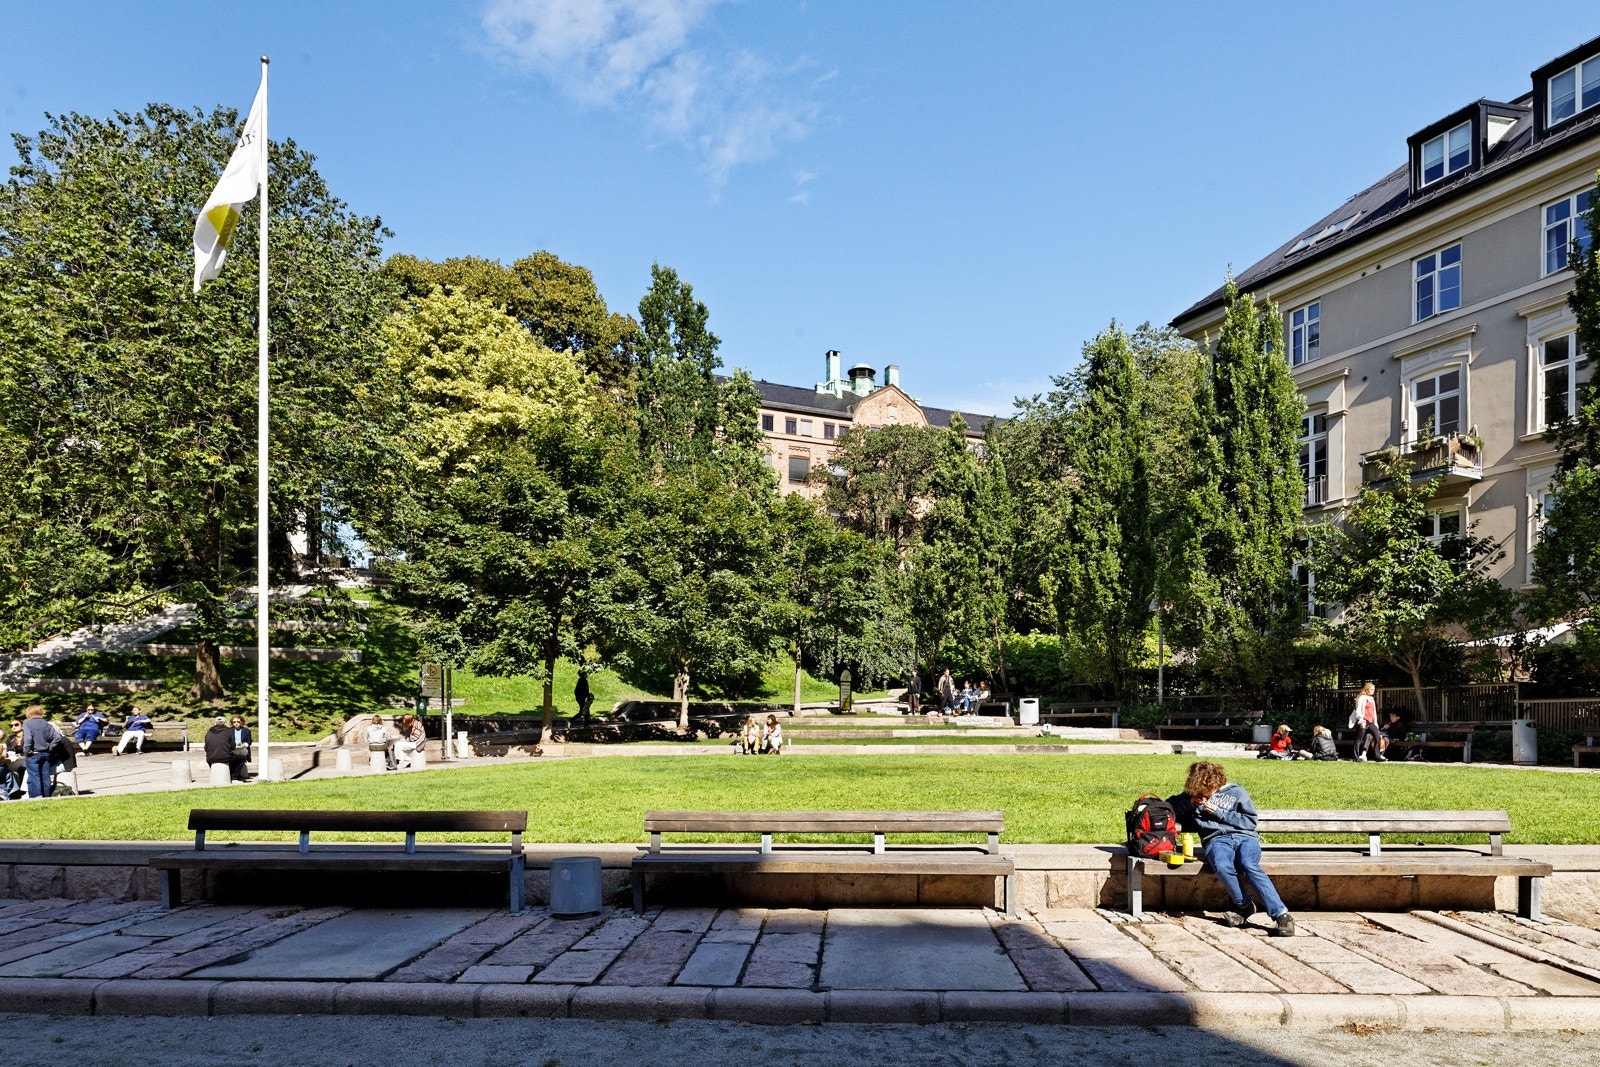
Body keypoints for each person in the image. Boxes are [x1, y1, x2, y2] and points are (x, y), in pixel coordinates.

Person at [1168, 761, 1296, 937]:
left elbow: (1250, 822)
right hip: (1216, 840)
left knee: (1248, 864)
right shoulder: (1193, 795)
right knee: (1221, 865)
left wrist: (1220, 813)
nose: (1204, 795)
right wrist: (1190, 803)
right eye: (1199, 791)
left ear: (1216, 782)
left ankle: (1281, 914)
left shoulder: (1237, 792)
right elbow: (1168, 807)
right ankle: (1244, 906)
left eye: (1207, 790)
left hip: (1245, 838)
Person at [21, 705, 57, 799]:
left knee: (34, 777)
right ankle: (47, 797)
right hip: (46, 753)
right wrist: (50, 747)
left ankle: (37, 798)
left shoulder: (27, 723)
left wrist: (26, 750)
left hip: (33, 753)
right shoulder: (47, 724)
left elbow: (28, 738)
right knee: (46, 777)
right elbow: (57, 737)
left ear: (28, 713)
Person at [205, 715, 252, 782]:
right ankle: (234, 777)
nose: (236, 723)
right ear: (225, 723)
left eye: (238, 722)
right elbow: (233, 746)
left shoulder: (209, 732)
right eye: (234, 722)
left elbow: (206, 748)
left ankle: (230, 774)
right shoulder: (228, 731)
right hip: (226, 756)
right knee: (241, 758)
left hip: (209, 758)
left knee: (237, 755)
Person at [1350, 681, 1386, 762]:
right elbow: (1358, 710)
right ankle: (1355, 757)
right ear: (1366, 690)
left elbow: (1373, 712)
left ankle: (1377, 755)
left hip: (1371, 722)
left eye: (1374, 689)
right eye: (1371, 689)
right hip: (1364, 721)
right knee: (1359, 739)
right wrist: (1361, 720)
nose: (1373, 690)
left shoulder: (1371, 699)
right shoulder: (1362, 698)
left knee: (1377, 737)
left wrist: (1375, 722)